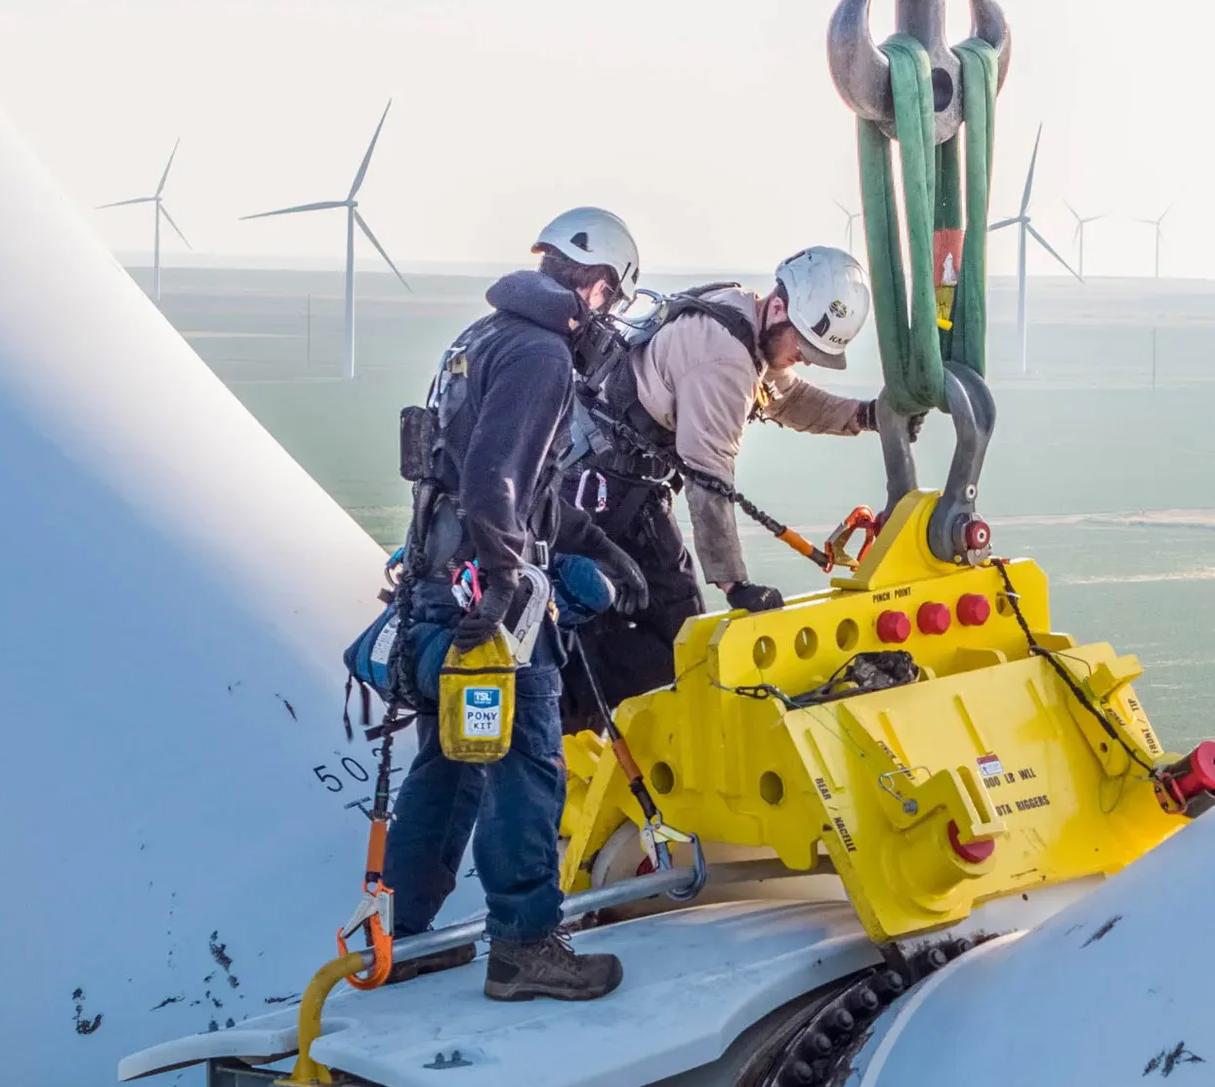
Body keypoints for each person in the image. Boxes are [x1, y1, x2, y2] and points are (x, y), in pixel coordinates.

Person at [380, 207, 647, 1003]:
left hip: (438, 583)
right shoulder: (540, 355)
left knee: (450, 764)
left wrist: (593, 544)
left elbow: (509, 484)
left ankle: (404, 937)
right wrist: (503, 583)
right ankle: (526, 946)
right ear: (596, 286)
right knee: (527, 764)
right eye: (612, 299)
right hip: (492, 602)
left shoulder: (479, 339)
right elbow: (496, 479)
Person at [556, 244, 907, 730]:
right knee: (675, 637)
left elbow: (783, 396)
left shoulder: (739, 313)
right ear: (780, 309)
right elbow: (708, 472)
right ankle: (561, 717)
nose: (802, 359)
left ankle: (573, 716)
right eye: (803, 346)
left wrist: (864, 417)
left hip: (602, 482)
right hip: (611, 491)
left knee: (636, 615)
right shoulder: (725, 360)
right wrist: (734, 582)